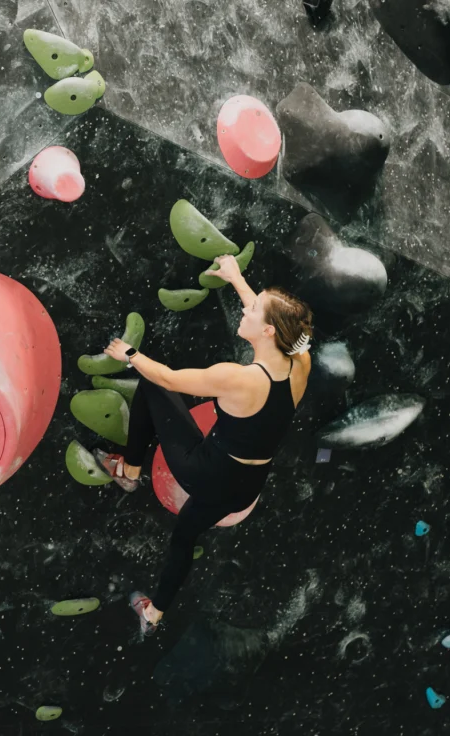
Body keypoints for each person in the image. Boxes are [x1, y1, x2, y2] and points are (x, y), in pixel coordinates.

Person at [95, 254, 313, 634]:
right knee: (184, 538)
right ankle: (154, 614)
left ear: (268, 333)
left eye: (254, 308)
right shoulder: (301, 361)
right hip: (247, 485)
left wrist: (128, 355)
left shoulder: (239, 378)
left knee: (151, 387)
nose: (246, 310)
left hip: (206, 471)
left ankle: (129, 470)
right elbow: (265, 319)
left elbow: (168, 378)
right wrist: (236, 278)